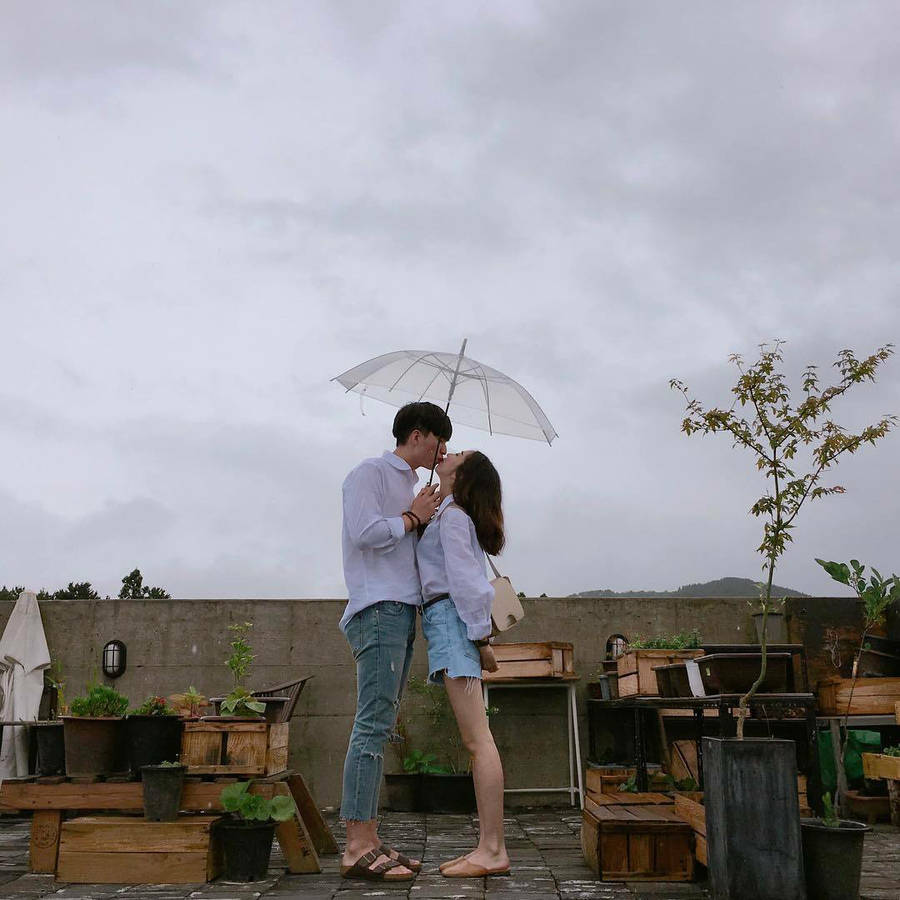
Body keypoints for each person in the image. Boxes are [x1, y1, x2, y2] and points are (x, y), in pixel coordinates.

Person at [338, 401, 451, 883]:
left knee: (381, 726)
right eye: (438, 440)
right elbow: (364, 533)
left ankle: (371, 836)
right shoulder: (369, 474)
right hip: (378, 609)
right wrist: (410, 517)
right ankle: (356, 845)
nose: (441, 449)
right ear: (418, 434)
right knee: (371, 724)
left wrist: (424, 513)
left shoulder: (412, 487)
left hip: (402, 611)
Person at [416, 449, 511, 878]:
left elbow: (470, 586)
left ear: (463, 472)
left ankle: (493, 849)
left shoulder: (454, 517)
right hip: (448, 625)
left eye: (459, 452)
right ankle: (487, 846)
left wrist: (481, 640)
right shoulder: (447, 513)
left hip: (453, 625)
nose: (449, 451)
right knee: (478, 739)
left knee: (478, 741)